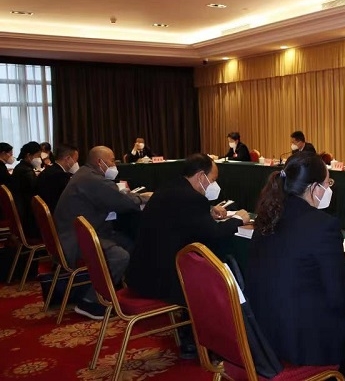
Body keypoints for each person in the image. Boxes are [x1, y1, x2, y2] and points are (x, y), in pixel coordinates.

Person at [246, 154, 345, 381]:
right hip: (303, 343)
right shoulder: (322, 225)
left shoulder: (267, 216)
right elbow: (340, 298)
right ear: (314, 188)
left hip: (263, 334)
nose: (329, 189)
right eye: (328, 183)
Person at [126, 154, 249, 358]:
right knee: (213, 276)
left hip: (142, 270)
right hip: (161, 279)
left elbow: (183, 218)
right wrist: (238, 219)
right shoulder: (191, 199)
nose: (214, 184)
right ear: (201, 176)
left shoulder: (170, 187)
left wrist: (208, 211)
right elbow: (214, 233)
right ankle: (200, 341)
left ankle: (190, 332)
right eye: (213, 179)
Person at [54, 146, 152, 320]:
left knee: (129, 243)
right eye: (112, 161)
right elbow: (122, 202)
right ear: (100, 162)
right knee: (120, 256)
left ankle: (128, 290)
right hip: (76, 240)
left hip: (76, 233)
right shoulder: (92, 179)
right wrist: (146, 197)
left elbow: (113, 198)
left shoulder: (85, 174)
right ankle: (90, 302)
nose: (115, 165)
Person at [34, 144, 79, 213]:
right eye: (75, 160)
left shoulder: (49, 169)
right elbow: (68, 200)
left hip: (43, 212)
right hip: (55, 213)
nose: (76, 163)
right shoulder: (60, 175)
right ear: (68, 159)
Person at [10, 141, 41, 239]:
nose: (39, 159)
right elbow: (36, 189)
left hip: (22, 207)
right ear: (29, 155)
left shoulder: (20, 167)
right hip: (27, 213)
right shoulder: (26, 171)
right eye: (37, 156)